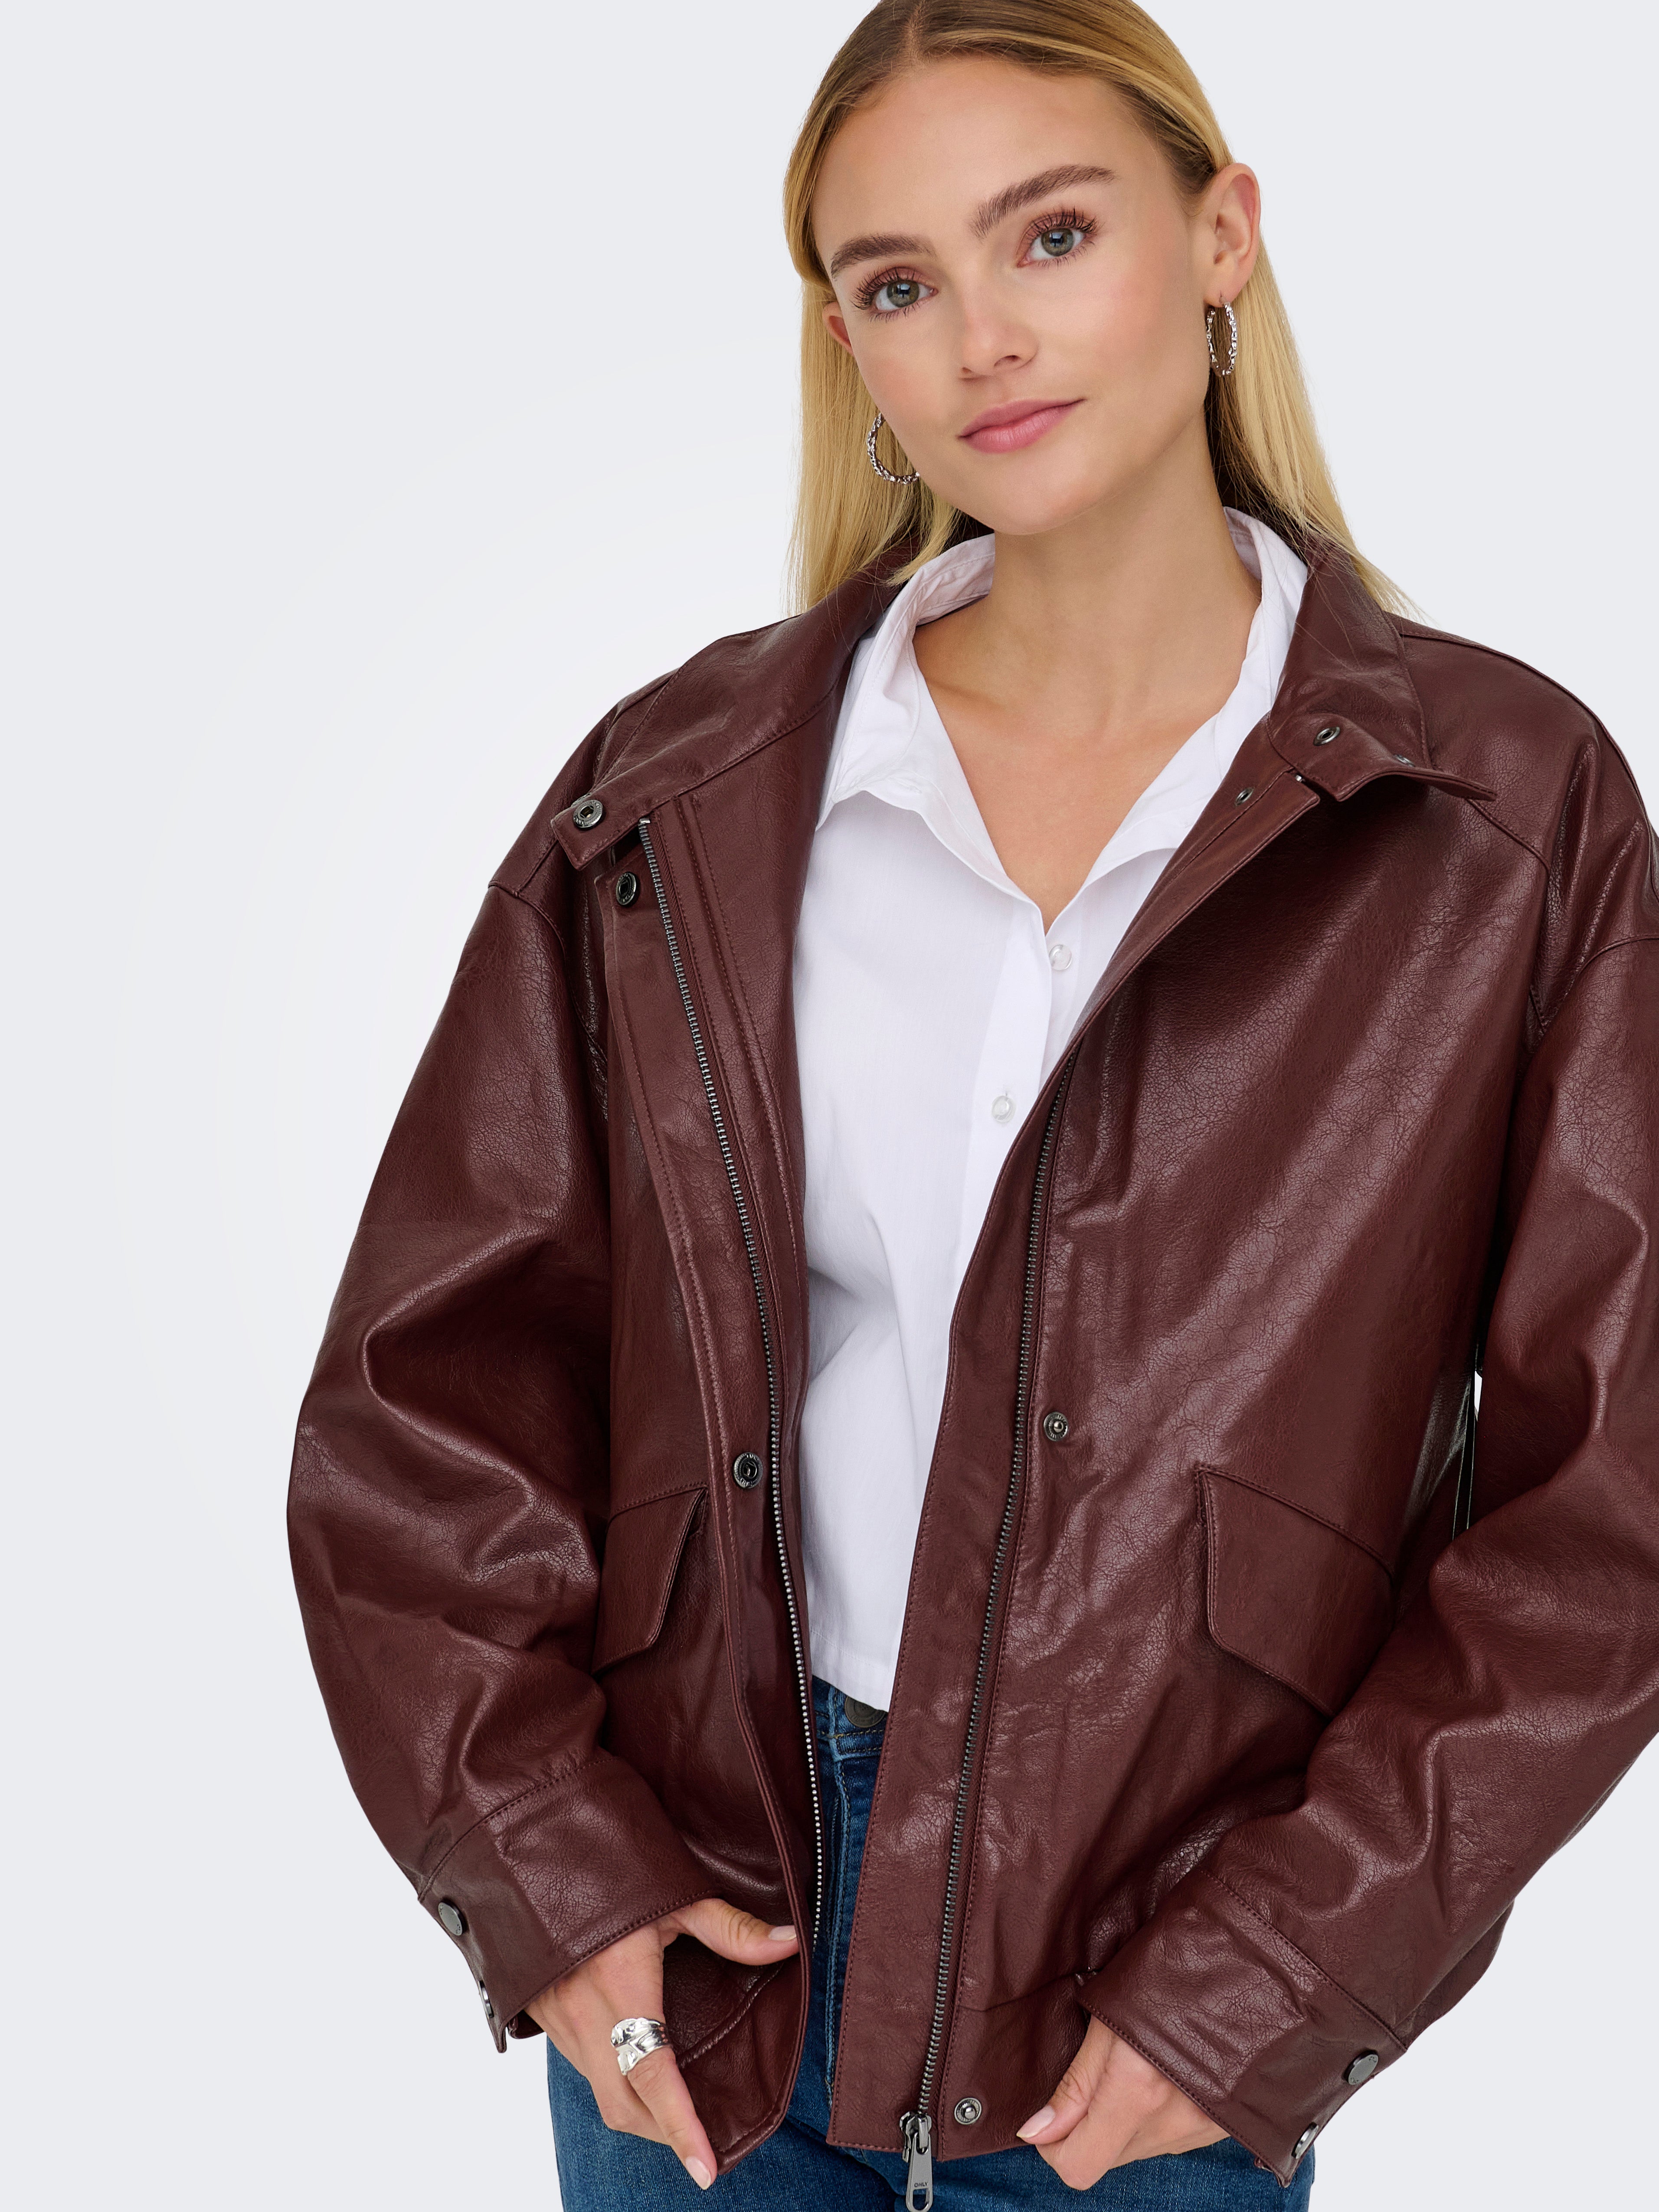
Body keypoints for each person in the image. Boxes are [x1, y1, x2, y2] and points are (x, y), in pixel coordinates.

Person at [286, 2, 1659, 2205]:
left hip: (1162, 1959)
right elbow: (424, 1401)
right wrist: (550, 1875)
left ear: (1222, 237)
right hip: (714, 1947)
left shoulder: (1496, 815)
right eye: (899, 281)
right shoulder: (688, 791)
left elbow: (1616, 1502)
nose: (984, 340)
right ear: (847, 340)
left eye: (1054, 235)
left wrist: (1285, 1968)